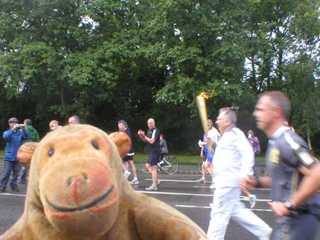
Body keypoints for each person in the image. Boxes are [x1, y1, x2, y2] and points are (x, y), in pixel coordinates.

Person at [240, 91, 320, 240]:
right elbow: (281, 177)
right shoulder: (276, 142)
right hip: (290, 222)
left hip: (300, 221)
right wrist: (256, 182)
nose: (255, 114)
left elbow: (317, 173)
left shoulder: (287, 141)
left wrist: (288, 205)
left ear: (276, 111)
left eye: (260, 109)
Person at [207, 108, 272, 240]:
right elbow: (224, 153)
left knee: (218, 217)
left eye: (220, 119)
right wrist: (213, 144)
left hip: (227, 184)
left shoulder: (235, 134)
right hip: (226, 183)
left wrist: (246, 174)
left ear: (228, 121)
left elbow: (248, 152)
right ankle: (263, 230)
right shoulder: (227, 136)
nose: (217, 121)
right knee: (237, 211)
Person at [0, 118, 29, 192]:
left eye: (15, 123)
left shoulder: (20, 133)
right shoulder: (8, 132)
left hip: (17, 156)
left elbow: (27, 136)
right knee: (7, 172)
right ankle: (2, 185)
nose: (14, 124)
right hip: (9, 156)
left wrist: (24, 129)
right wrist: (13, 129)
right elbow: (6, 137)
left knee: (16, 172)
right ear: (9, 124)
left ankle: (14, 185)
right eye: (12, 123)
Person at [138, 118, 161, 191]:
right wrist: (142, 135)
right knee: (147, 165)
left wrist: (144, 136)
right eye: (148, 123)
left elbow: (152, 141)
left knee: (153, 167)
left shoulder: (155, 131)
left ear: (154, 123)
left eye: (151, 123)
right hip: (151, 151)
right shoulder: (149, 130)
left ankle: (154, 185)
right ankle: (156, 180)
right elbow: (145, 140)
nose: (149, 125)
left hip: (155, 151)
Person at [196, 119, 220, 189]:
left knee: (209, 166)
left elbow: (209, 142)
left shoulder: (209, 133)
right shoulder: (214, 130)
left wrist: (201, 143)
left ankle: (215, 181)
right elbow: (219, 136)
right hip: (212, 150)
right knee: (207, 165)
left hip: (211, 150)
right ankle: (209, 179)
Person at [18, 119, 40, 184]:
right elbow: (38, 139)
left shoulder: (23, 130)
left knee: (25, 163)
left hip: (25, 148)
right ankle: (32, 179)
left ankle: (22, 179)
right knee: (32, 164)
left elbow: (20, 137)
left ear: (25, 124)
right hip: (33, 149)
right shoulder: (35, 131)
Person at [118, 120, 139, 185]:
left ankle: (126, 171)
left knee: (119, 160)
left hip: (126, 150)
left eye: (120, 125)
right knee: (131, 164)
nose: (120, 127)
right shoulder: (128, 131)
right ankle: (135, 178)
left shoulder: (124, 133)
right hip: (130, 150)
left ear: (123, 126)